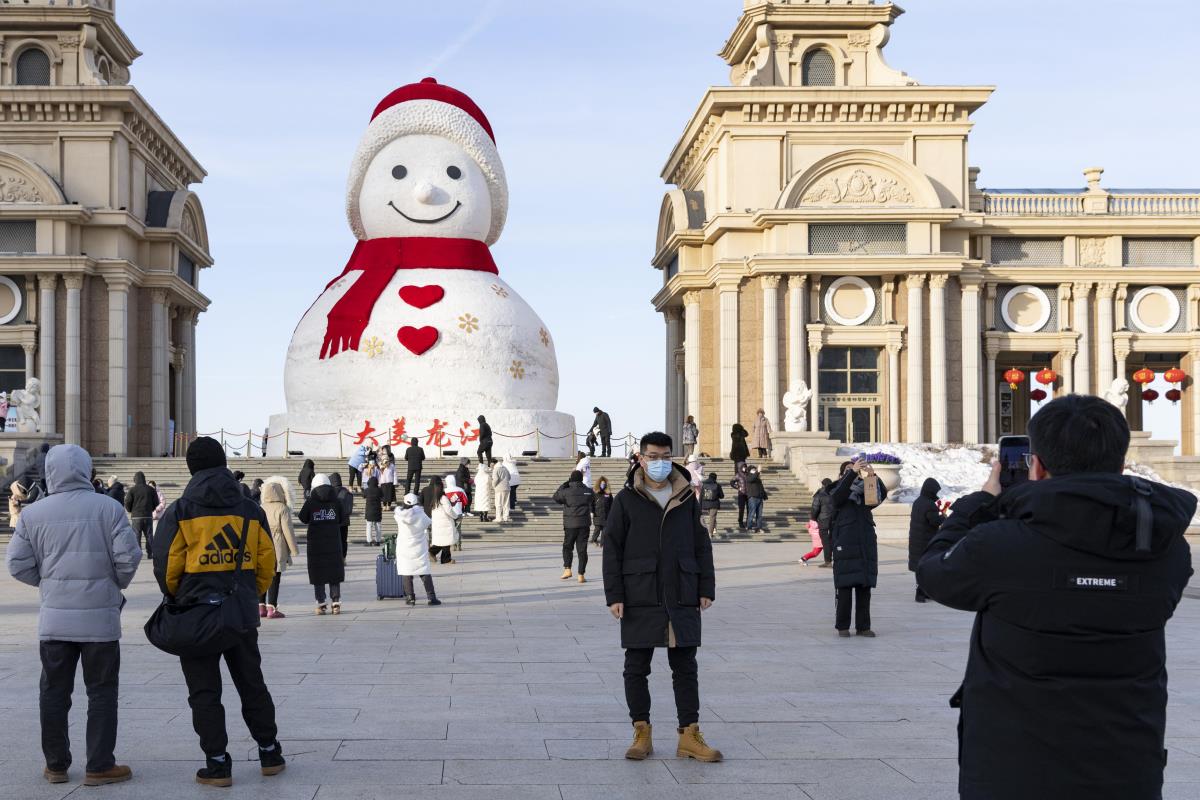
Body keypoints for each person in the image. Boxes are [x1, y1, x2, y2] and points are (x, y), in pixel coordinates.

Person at [917, 395, 1195, 800]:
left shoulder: (999, 546)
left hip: (1012, 773)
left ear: (1037, 465)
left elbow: (933, 572)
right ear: (1120, 464)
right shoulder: (1165, 548)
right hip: (1127, 768)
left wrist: (980, 504)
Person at [152, 437, 285, 786]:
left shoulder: (180, 511)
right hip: (239, 614)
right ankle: (269, 752)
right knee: (251, 683)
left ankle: (217, 763)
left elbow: (167, 569)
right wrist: (245, 595)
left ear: (191, 468)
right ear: (224, 463)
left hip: (196, 615)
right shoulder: (250, 510)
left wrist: (180, 595)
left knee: (204, 692)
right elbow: (266, 565)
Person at [6, 444, 140, 787]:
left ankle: (56, 765)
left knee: (53, 693)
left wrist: (50, 584)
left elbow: (17, 564)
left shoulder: (34, 513)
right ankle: (99, 765)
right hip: (100, 623)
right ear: (86, 469)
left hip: (55, 622)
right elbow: (129, 558)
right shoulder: (108, 508)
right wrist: (114, 585)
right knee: (102, 692)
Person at [602, 431, 720, 763]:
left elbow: (701, 545)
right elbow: (612, 549)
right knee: (636, 666)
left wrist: (705, 587)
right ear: (640, 458)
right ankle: (642, 731)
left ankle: (689, 734)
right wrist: (615, 594)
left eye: (666, 456)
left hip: (681, 590)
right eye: (653, 456)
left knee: (685, 666)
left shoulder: (686, 496)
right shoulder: (626, 500)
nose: (660, 462)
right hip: (640, 591)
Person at [830, 459, 886, 637]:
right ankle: (843, 626)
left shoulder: (865, 493)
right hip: (845, 546)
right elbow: (838, 498)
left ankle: (863, 626)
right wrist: (851, 473)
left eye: (855, 470)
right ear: (841, 475)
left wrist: (872, 476)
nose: (853, 472)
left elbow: (880, 496)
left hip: (864, 545)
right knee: (845, 588)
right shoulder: (835, 489)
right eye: (847, 470)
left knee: (864, 588)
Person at [299, 474, 347, 615]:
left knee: (318, 572)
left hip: (316, 544)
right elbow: (342, 518)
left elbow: (302, 518)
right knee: (334, 572)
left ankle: (321, 604)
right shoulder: (337, 501)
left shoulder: (310, 502)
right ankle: (336, 603)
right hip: (333, 541)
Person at [259, 477, 299, 619]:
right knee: (275, 577)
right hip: (277, 547)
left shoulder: (261, 508)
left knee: (262, 576)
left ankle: (261, 607)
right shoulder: (282, 508)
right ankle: (272, 608)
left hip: (261, 547)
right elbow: (288, 530)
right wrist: (294, 549)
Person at [394, 493, 441, 606]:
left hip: (404, 547)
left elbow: (398, 513)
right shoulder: (422, 515)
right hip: (418, 547)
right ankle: (431, 597)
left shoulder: (400, 516)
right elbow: (429, 523)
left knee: (406, 572)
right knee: (424, 571)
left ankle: (410, 598)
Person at [907, 478, 943, 602]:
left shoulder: (918, 501)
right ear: (931, 491)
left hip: (917, 539)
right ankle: (920, 593)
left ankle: (924, 592)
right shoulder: (929, 504)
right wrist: (943, 517)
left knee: (920, 567)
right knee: (925, 567)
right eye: (935, 491)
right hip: (925, 540)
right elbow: (934, 521)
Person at [553, 470, 593, 581]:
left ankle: (567, 569)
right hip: (584, 524)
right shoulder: (588, 491)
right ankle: (581, 574)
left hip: (570, 524)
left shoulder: (566, 491)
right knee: (582, 549)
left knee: (567, 547)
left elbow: (556, 497)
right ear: (581, 479)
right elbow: (592, 498)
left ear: (571, 479)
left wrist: (565, 484)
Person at [123, 470, 158, 560]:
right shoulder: (151, 489)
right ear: (144, 479)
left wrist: (130, 510)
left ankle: (138, 554)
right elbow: (156, 502)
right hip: (148, 515)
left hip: (136, 516)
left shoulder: (132, 490)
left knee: (136, 535)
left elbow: (127, 503)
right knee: (149, 535)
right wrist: (151, 509)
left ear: (135, 479)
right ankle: (150, 553)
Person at [429, 477, 460, 565]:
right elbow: (449, 510)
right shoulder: (443, 498)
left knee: (443, 541)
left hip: (438, 523)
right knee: (446, 541)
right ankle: (443, 558)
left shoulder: (435, 499)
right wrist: (455, 516)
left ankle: (434, 553)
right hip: (445, 523)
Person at [809, 478, 835, 568]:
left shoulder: (819, 494)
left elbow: (815, 508)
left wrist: (813, 518)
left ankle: (828, 561)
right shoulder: (835, 493)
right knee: (833, 540)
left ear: (822, 484)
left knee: (825, 541)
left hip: (823, 520)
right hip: (834, 520)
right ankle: (835, 559)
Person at [329, 472, 353, 559]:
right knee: (343, 540)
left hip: (333, 521)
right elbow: (349, 509)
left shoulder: (329, 492)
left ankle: (334, 557)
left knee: (333, 540)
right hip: (345, 521)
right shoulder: (346, 492)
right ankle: (343, 558)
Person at [443, 475, 469, 550]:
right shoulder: (460, 490)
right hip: (458, 512)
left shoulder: (444, 491)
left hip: (448, 513)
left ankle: (453, 544)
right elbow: (465, 501)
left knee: (450, 529)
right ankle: (459, 545)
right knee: (458, 529)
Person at [699, 472, 723, 540]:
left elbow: (701, 495)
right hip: (714, 504)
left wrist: (699, 505)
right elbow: (722, 496)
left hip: (706, 504)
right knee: (712, 518)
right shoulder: (717, 485)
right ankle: (710, 533)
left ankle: (714, 528)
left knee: (713, 517)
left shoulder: (704, 484)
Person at [744, 465, 768, 533]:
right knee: (752, 513)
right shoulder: (748, 476)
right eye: (753, 469)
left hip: (759, 497)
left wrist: (764, 495)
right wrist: (757, 471)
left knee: (759, 515)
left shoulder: (757, 478)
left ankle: (759, 527)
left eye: (755, 469)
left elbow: (761, 488)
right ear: (749, 471)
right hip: (752, 497)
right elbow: (752, 479)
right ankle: (749, 527)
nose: (754, 470)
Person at [591, 476, 613, 545]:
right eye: (601, 483)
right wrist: (591, 512)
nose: (603, 485)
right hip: (597, 514)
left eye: (604, 484)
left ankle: (602, 543)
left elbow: (612, 504)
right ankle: (594, 540)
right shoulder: (595, 494)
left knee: (605, 530)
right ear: (599, 484)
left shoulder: (608, 494)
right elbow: (591, 504)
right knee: (597, 529)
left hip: (606, 515)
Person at [362, 476, 383, 546]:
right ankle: (378, 541)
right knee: (378, 526)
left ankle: (369, 541)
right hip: (377, 510)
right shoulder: (379, 490)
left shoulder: (367, 490)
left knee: (369, 526)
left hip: (369, 511)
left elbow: (363, 496)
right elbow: (382, 496)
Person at [491, 458, 512, 523]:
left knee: (498, 503)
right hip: (507, 488)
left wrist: (493, 485)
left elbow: (496, 479)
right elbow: (509, 477)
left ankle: (499, 518)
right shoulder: (505, 468)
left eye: (490, 463)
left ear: (493, 463)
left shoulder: (496, 469)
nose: (490, 465)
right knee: (506, 504)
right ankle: (506, 517)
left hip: (499, 488)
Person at [730, 462, 750, 530]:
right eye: (743, 467)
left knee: (749, 509)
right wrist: (738, 487)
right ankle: (740, 522)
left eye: (745, 466)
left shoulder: (748, 474)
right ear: (740, 467)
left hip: (749, 494)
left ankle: (748, 522)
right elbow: (731, 482)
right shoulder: (738, 475)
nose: (744, 468)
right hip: (741, 494)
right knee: (741, 509)